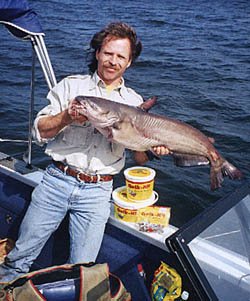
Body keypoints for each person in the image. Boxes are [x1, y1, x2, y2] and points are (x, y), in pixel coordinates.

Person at [0, 22, 168, 282]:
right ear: (98, 53)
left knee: (82, 270)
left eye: (121, 56)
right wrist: (67, 117)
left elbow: (139, 157)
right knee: (19, 256)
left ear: (129, 62)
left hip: (98, 191)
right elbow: (39, 131)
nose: (113, 61)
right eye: (108, 53)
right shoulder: (71, 87)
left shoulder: (135, 103)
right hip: (56, 180)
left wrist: (153, 149)